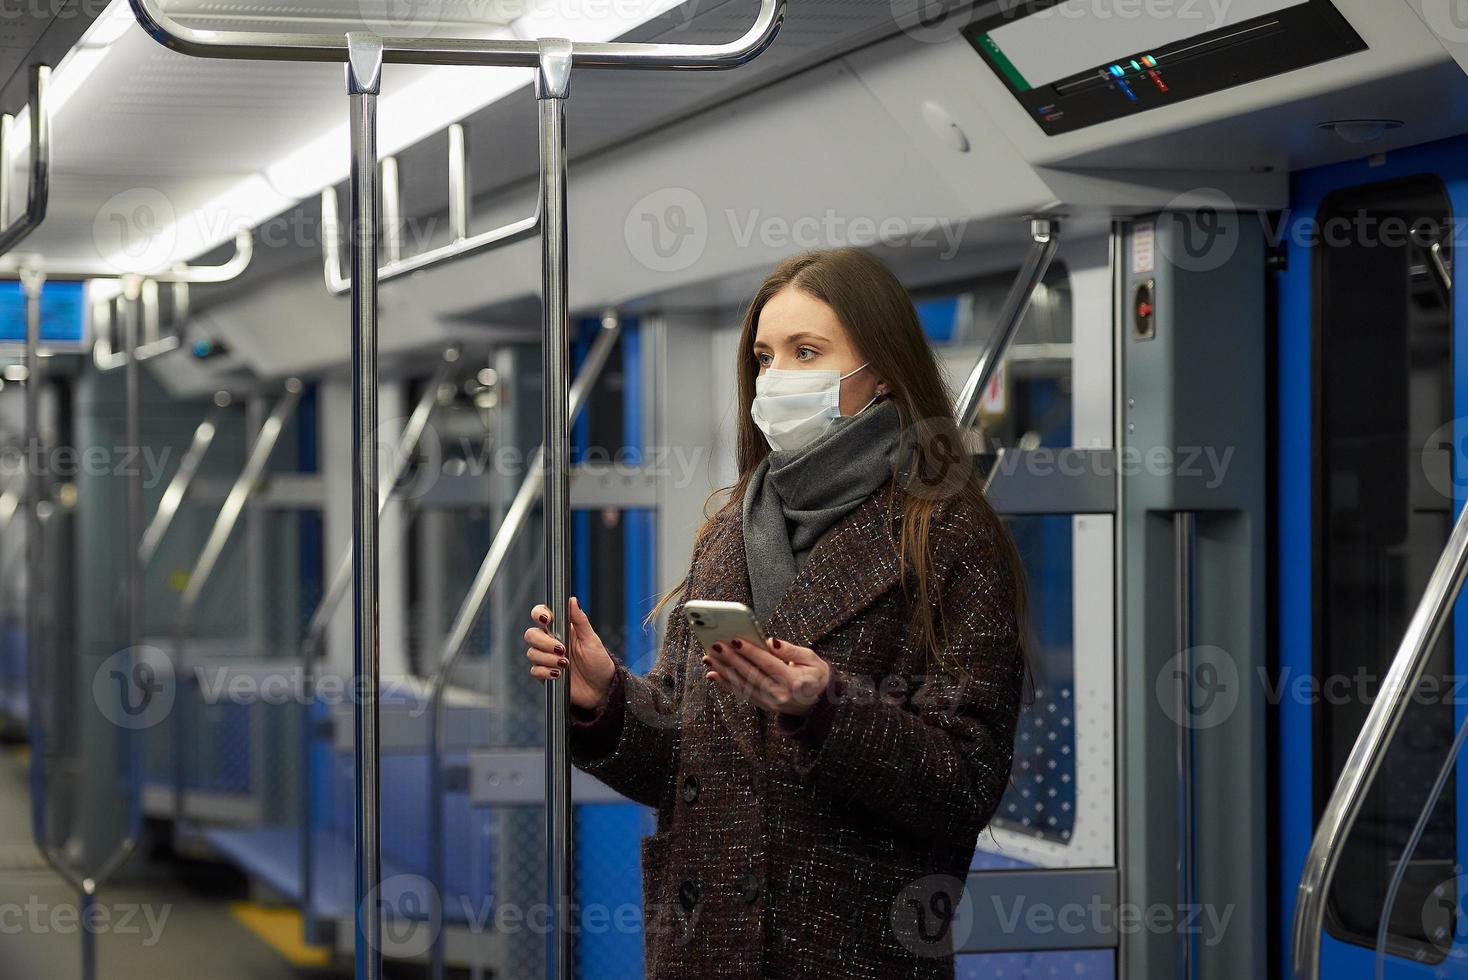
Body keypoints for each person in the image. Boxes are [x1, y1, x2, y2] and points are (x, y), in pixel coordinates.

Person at [524, 247, 1028, 979]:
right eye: (764, 357)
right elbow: (681, 753)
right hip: (705, 948)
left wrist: (827, 708)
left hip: (851, 949)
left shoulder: (944, 534)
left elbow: (965, 783)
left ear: (882, 371)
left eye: (807, 352)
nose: (776, 378)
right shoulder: (730, 530)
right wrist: (608, 702)